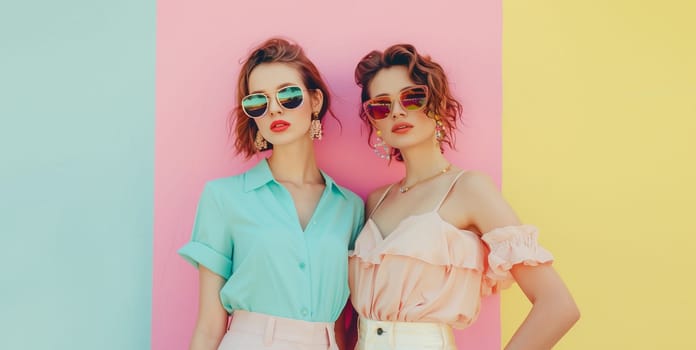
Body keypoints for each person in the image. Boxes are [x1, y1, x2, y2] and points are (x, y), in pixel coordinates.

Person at [347, 44, 580, 350]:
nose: (397, 111)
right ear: (374, 122)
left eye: (412, 97)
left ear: (436, 103)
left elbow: (558, 306)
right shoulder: (375, 200)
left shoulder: (469, 189)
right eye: (381, 106)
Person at [178, 37, 364, 350]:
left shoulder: (350, 208)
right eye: (258, 102)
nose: (274, 108)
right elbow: (210, 327)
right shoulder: (224, 198)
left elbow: (342, 327)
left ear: (315, 101)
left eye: (288, 95)